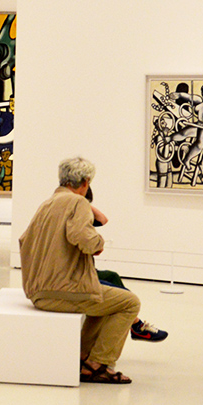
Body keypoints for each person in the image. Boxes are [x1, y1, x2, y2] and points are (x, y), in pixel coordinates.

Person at [19, 156, 140, 384]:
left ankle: (83, 357)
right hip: (61, 291)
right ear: (85, 182)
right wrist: (99, 243)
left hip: (37, 290)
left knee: (101, 298)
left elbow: (25, 240)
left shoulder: (46, 204)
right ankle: (99, 364)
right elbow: (82, 236)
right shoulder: (77, 203)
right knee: (129, 303)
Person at [85, 186, 168, 343]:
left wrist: (84, 205)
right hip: (79, 274)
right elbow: (97, 248)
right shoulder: (75, 219)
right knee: (124, 297)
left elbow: (103, 219)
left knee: (112, 276)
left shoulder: (81, 215)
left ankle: (135, 325)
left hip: (87, 269)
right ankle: (136, 324)